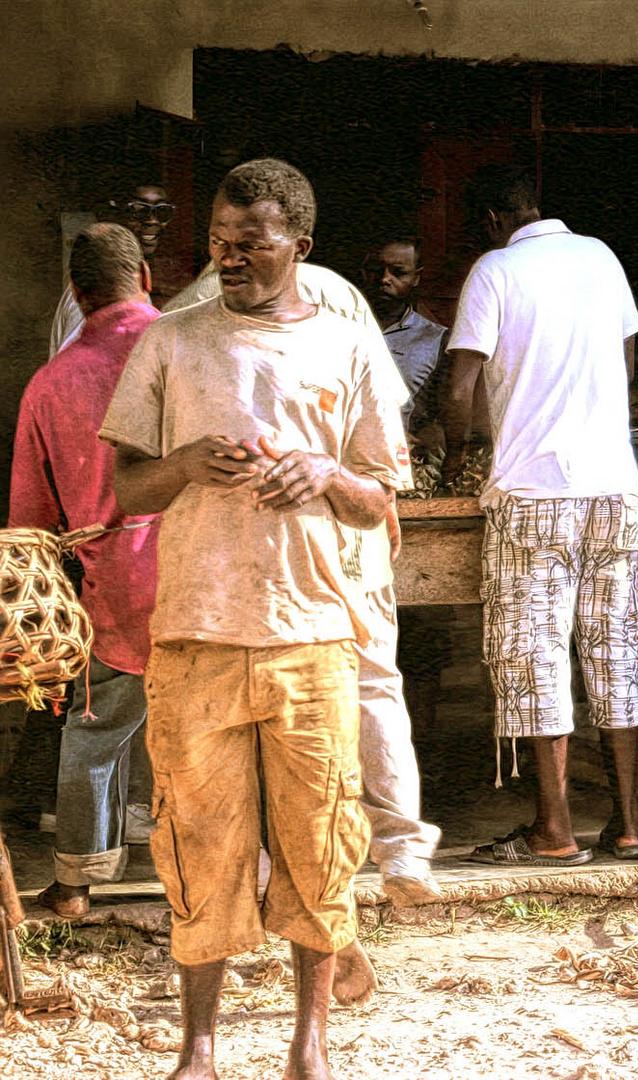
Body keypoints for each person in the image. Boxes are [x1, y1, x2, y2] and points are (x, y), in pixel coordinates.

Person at [101, 158, 410, 1080]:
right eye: (220, 244)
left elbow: (378, 495)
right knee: (197, 843)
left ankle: (307, 1044)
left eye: (252, 244)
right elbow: (125, 491)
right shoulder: (169, 342)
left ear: (299, 248)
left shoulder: (348, 346)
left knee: (319, 841)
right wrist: (188, 461)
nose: (230, 258)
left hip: (311, 631)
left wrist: (323, 472)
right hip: (194, 629)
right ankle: (199, 1047)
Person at [165, 250, 444, 906]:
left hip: (254, 549)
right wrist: (382, 503)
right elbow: (383, 431)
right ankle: (400, 852)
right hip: (344, 531)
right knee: (373, 682)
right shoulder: (336, 299)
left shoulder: (192, 317)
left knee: (253, 702)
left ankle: (266, 871)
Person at [441, 166, 638, 866]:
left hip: (532, 495)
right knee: (614, 649)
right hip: (615, 489)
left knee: (536, 657)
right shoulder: (602, 258)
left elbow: (461, 386)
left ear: (494, 222)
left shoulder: (494, 270)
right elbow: (624, 365)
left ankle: (554, 831)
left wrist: (453, 456)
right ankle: (628, 826)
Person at [10, 224, 161, 919]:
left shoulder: (50, 382)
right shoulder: (190, 348)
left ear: (76, 293)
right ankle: (238, 873)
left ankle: (73, 883)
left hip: (116, 583)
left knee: (97, 729)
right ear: (148, 278)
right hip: (205, 575)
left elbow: (32, 523)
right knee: (216, 726)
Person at [50, 182, 180, 354]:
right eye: (139, 210)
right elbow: (74, 367)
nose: (152, 220)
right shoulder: (98, 286)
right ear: (117, 213)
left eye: (162, 211)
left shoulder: (131, 281)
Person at [361, 234, 447, 426]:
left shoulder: (436, 339)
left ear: (416, 277)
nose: (384, 279)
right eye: (376, 270)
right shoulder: (336, 328)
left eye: (398, 272)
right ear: (363, 272)